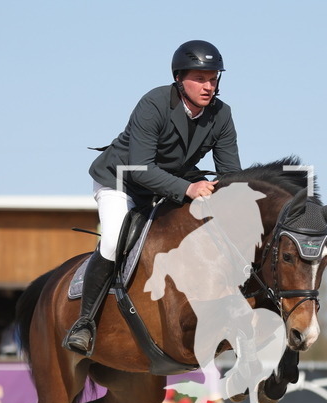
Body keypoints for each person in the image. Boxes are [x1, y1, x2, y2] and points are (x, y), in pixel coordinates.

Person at [63, 39, 243, 356]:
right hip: (122, 181)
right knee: (114, 240)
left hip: (171, 182)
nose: (208, 86)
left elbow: (230, 172)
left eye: (213, 78)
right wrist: (189, 189)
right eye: (200, 78)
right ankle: (85, 323)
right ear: (179, 78)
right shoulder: (155, 103)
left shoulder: (221, 114)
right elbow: (141, 169)